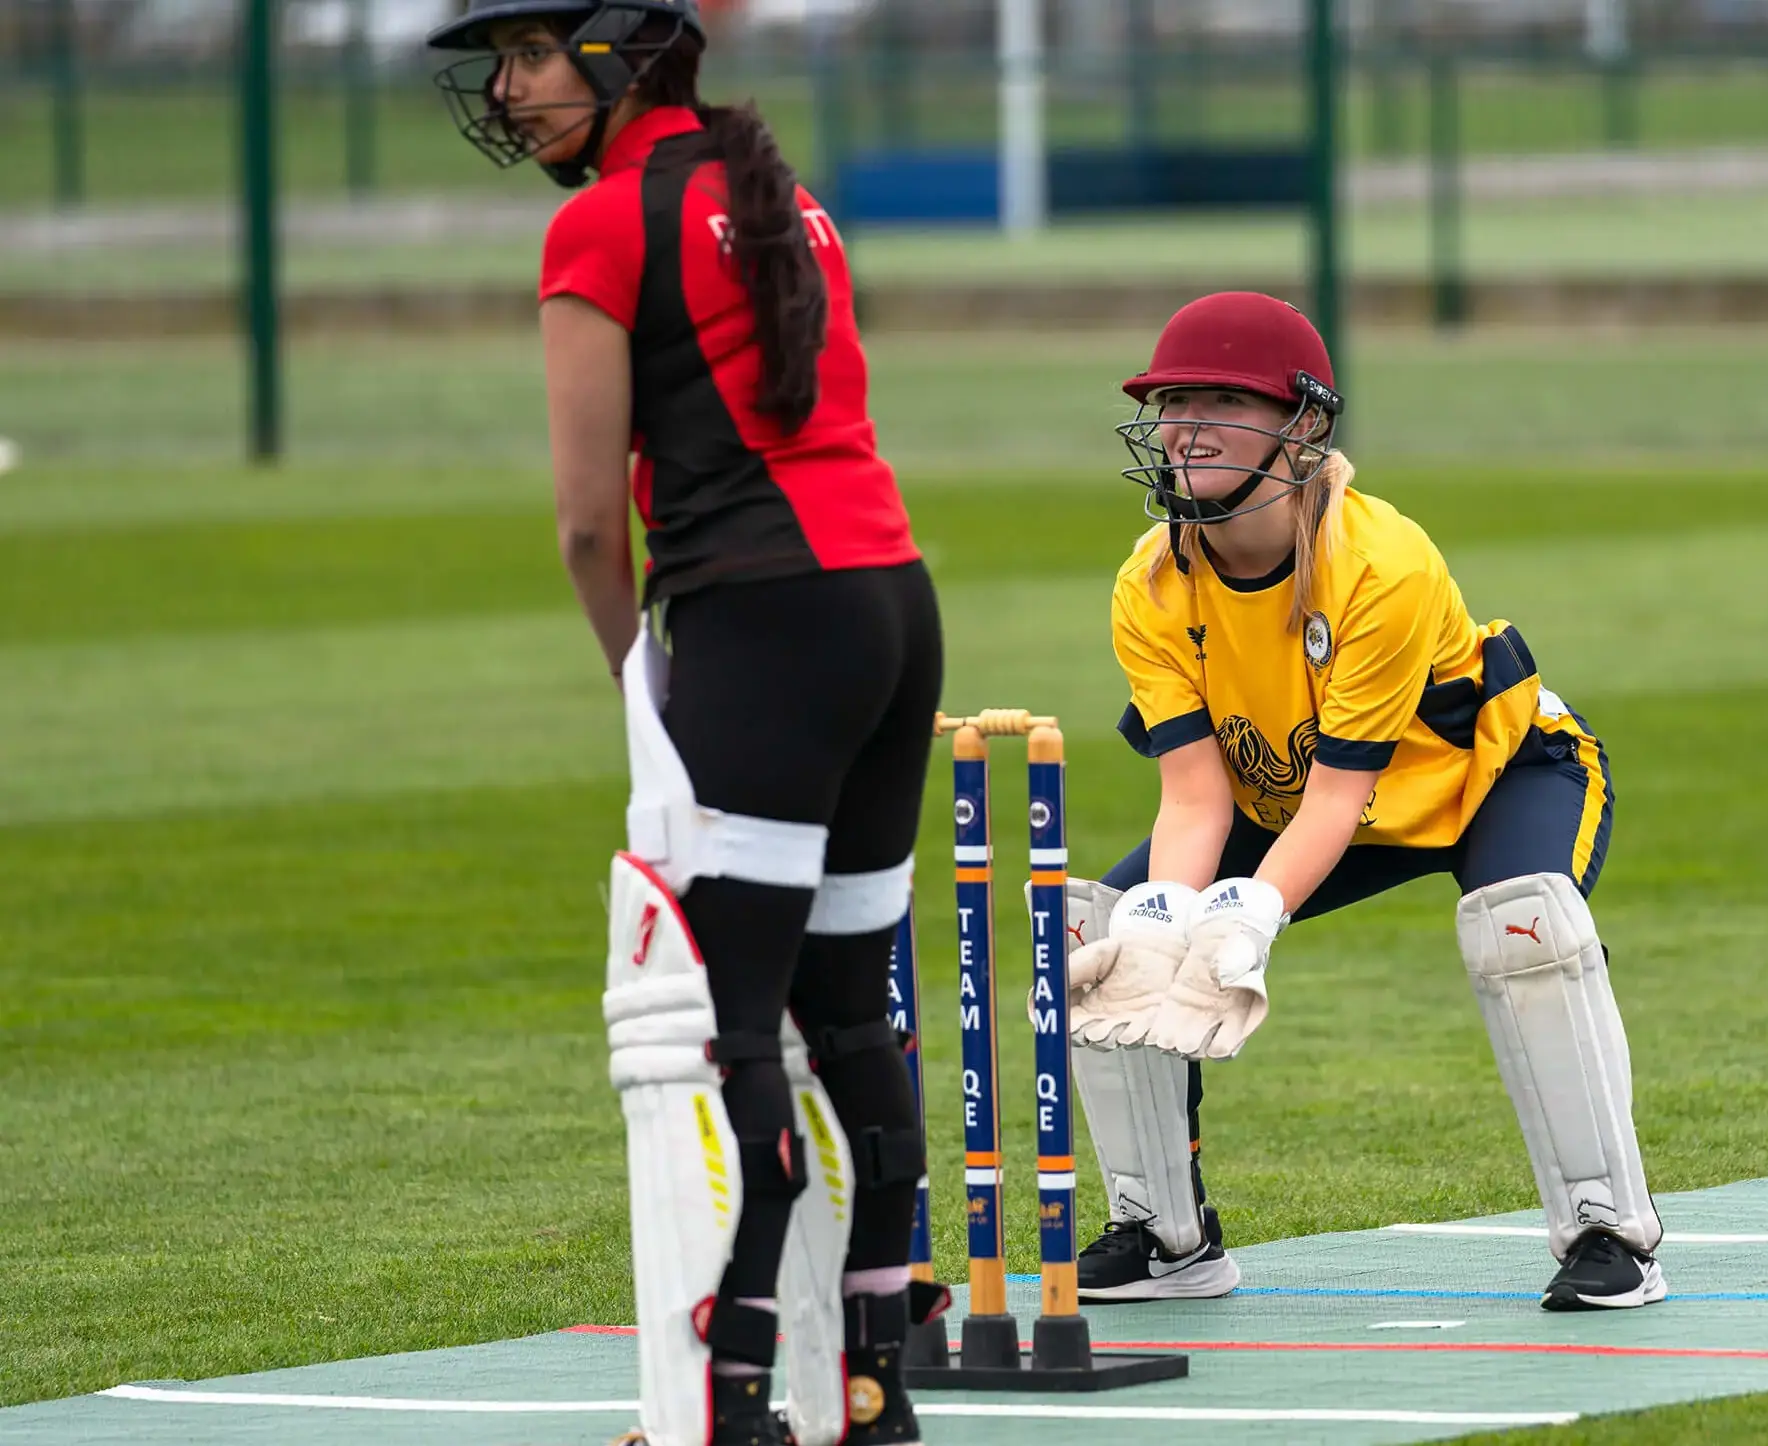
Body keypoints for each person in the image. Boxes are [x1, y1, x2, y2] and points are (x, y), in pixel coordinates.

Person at [428, 4, 940, 1442]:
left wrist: (633, 687)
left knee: (731, 1027)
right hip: (892, 605)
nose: (509, 88)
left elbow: (592, 527)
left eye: (531, 53)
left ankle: (722, 1404)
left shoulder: (601, 223)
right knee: (850, 1010)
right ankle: (871, 1383)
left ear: (621, 51)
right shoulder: (784, 194)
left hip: (762, 625)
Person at [1056, 292, 1666, 1313]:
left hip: (1486, 775)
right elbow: (1197, 798)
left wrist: (1252, 913)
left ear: (1303, 427)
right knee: (1103, 927)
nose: (1186, 422)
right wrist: (1165, 920)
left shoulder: (1377, 562)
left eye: (1222, 398)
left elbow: (1343, 798)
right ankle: (1167, 1238)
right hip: (1292, 797)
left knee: (1524, 925)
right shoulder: (1151, 583)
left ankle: (1612, 1234)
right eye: (1171, 400)